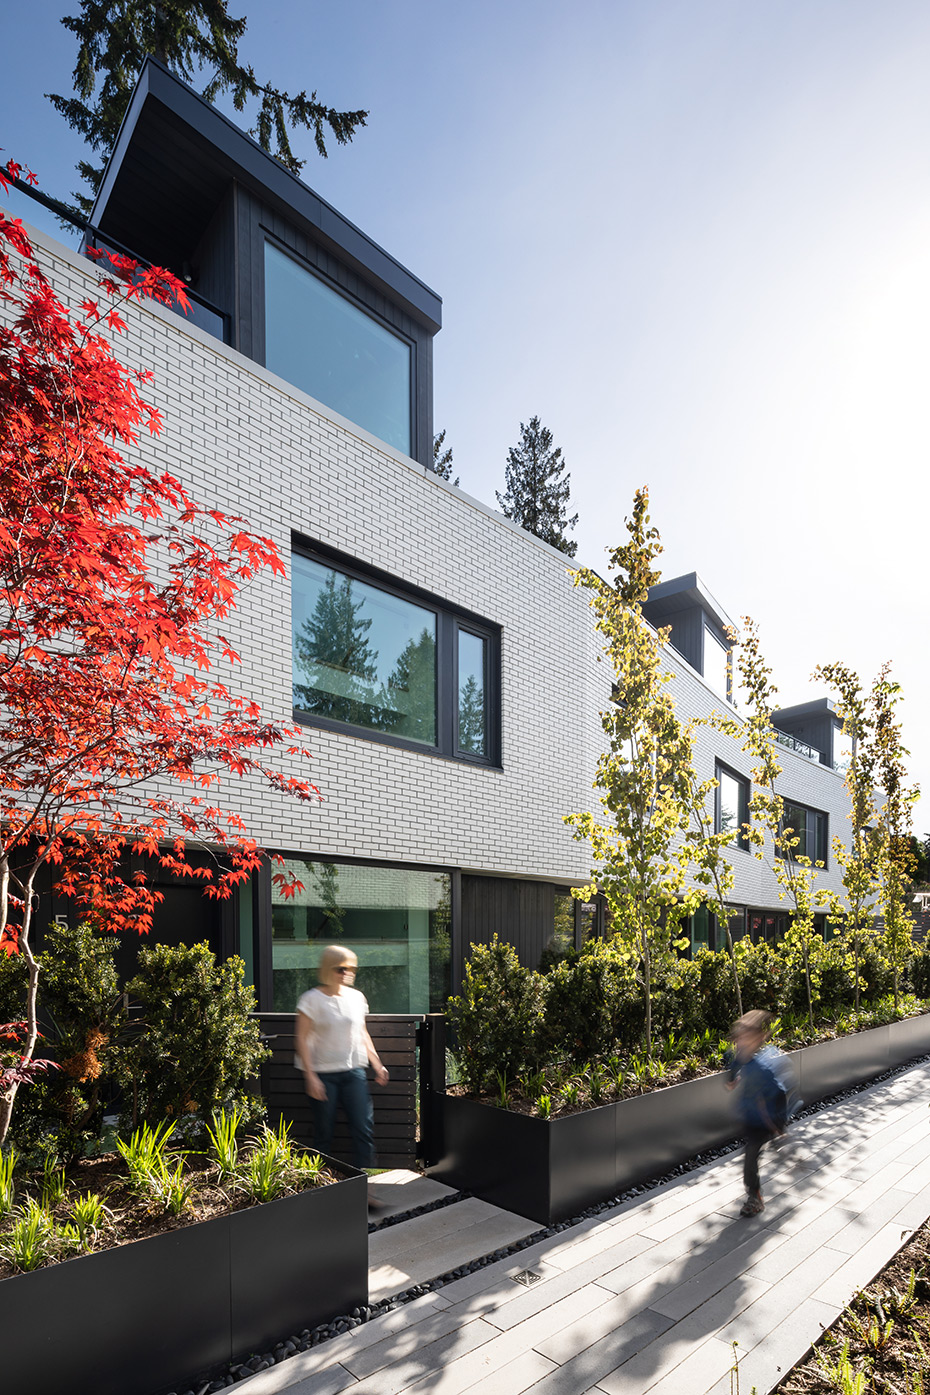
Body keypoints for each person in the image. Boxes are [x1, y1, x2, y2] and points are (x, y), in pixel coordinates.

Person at [295, 945, 389, 1205]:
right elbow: (301, 1039)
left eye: (351, 968)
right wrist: (310, 1077)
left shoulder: (357, 997)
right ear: (328, 969)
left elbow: (362, 1033)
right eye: (341, 968)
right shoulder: (311, 999)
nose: (347, 973)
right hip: (323, 1076)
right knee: (324, 1133)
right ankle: (318, 1191)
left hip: (353, 1074)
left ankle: (367, 1191)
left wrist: (377, 1064)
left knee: (363, 1129)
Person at [727, 1009, 789, 1217]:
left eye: (744, 1039)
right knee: (750, 1155)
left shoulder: (762, 1069)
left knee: (750, 1156)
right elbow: (734, 1066)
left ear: (755, 1042)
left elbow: (779, 1093)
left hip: (765, 1121)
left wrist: (778, 1126)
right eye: (738, 1038)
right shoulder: (742, 1058)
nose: (739, 1043)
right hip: (750, 1117)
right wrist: (731, 1079)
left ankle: (755, 1198)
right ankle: (754, 1193)